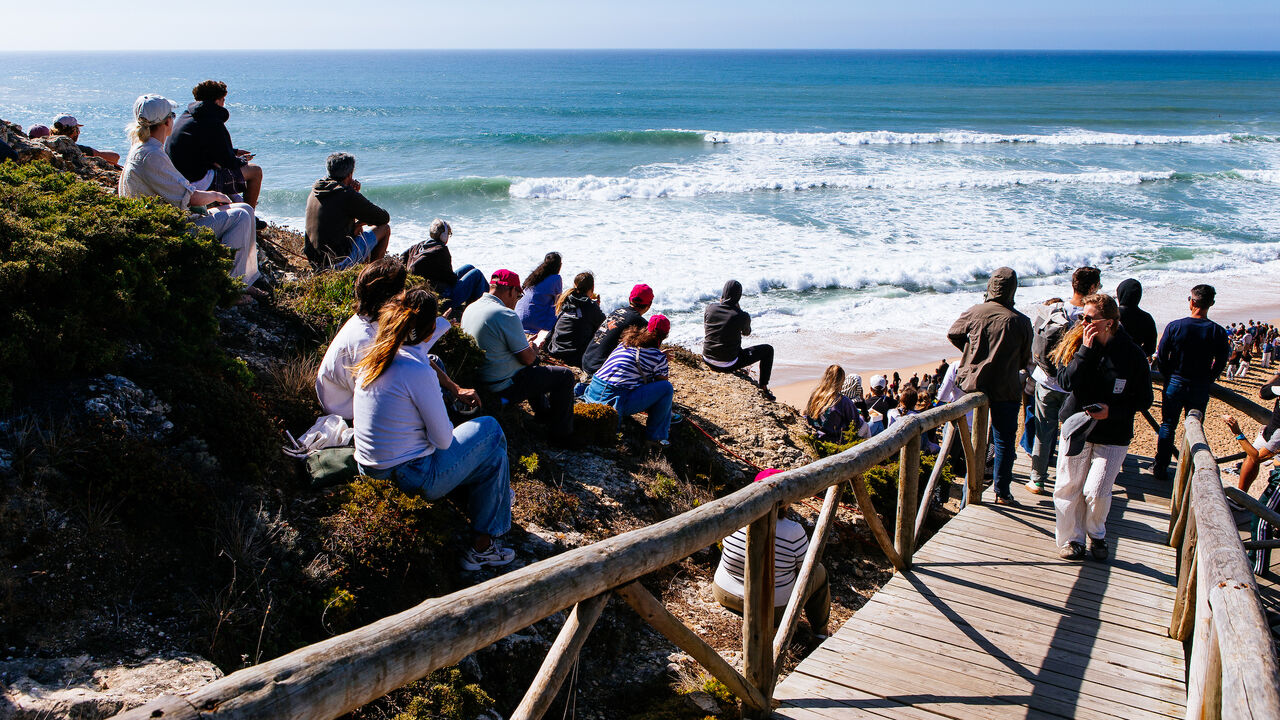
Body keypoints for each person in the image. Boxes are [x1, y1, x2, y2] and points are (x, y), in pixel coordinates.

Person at [352, 289, 514, 570]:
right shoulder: (416, 370)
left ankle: (489, 528)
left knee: (495, 461)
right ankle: (486, 535)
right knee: (491, 428)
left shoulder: (375, 356)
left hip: (370, 468)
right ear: (427, 330)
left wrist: (436, 324)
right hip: (412, 475)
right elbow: (443, 440)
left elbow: (430, 331)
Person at [117, 94, 261, 292]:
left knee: (244, 209)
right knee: (240, 216)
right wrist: (217, 196)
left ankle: (243, 281)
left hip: (159, 222)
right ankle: (230, 287)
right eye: (172, 115)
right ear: (167, 121)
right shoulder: (151, 155)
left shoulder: (143, 149)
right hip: (167, 231)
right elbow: (189, 196)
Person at [1050, 294, 1152, 561]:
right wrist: (1084, 351)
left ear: (1108, 323)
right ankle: (1072, 540)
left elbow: (1144, 400)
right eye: (1082, 316)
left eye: (1088, 318)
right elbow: (1065, 381)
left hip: (1114, 433)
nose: (1082, 322)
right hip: (1078, 427)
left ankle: (1097, 534)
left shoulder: (1132, 355)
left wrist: (1112, 412)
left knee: (1095, 490)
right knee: (1068, 487)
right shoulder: (1078, 343)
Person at [315, 258, 476, 420]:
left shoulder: (368, 320)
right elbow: (373, 402)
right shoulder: (367, 341)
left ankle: (445, 407)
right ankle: (444, 418)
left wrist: (454, 387)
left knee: (431, 362)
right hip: (348, 413)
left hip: (347, 400)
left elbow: (410, 351)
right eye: (402, 291)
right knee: (421, 373)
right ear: (392, 297)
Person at [947, 267, 1033, 505]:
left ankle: (969, 495)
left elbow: (953, 333)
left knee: (972, 440)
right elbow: (1026, 359)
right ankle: (1002, 491)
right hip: (1006, 387)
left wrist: (972, 351)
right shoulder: (1022, 321)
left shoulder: (975, 311)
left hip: (975, 385)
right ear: (1013, 289)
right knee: (1004, 440)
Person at [461, 270, 576, 443]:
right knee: (564, 376)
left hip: (480, 379)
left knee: (534, 371)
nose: (518, 299)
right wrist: (534, 349)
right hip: (503, 387)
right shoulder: (504, 314)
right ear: (509, 290)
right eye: (518, 294)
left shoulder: (471, 307)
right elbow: (527, 359)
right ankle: (562, 436)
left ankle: (543, 414)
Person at [713, 469, 830, 638]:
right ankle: (821, 633)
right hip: (770, 608)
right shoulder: (793, 531)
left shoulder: (734, 517)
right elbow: (807, 568)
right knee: (818, 572)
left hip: (724, 592)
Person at [1026, 267, 1100, 495]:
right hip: (1075, 387)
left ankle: (1037, 479)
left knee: (1043, 432)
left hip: (1046, 381)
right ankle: (1068, 482)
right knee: (1073, 433)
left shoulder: (1057, 311)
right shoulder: (1090, 318)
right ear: (1091, 288)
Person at [1152, 284, 1231, 481]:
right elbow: (1221, 362)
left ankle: (1160, 466)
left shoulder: (1175, 326)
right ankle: (1186, 470)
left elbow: (1161, 356)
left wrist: (1168, 375)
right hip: (1200, 385)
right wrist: (1209, 378)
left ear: (1192, 302)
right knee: (1194, 427)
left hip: (1175, 381)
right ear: (1211, 303)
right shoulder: (1218, 332)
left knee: (1168, 425)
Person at [166, 80, 265, 209]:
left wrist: (234, 152)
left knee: (218, 166)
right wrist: (242, 160)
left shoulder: (187, 116)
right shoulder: (212, 120)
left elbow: (205, 148)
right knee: (255, 171)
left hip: (179, 179)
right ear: (216, 101)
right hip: (196, 183)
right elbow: (228, 162)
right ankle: (251, 217)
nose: (224, 104)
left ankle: (238, 203)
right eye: (223, 100)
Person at [584, 314, 675, 446]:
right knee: (666, 389)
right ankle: (656, 437)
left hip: (593, 390)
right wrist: (661, 359)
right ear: (666, 334)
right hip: (614, 400)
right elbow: (660, 384)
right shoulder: (658, 358)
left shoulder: (626, 343)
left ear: (647, 328)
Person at [304, 152, 390, 271]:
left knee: (358, 230)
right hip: (337, 264)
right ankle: (372, 274)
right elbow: (383, 217)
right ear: (350, 174)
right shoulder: (345, 194)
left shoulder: (316, 190)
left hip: (315, 262)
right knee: (384, 229)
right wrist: (355, 194)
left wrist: (358, 224)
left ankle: (363, 270)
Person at [702, 280, 775, 399]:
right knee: (768, 350)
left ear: (723, 293)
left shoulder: (710, 308)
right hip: (728, 363)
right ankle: (764, 388)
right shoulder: (741, 315)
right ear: (739, 296)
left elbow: (708, 327)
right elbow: (747, 333)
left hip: (707, 357)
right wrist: (739, 310)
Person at [401, 219, 487, 317]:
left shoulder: (418, 246)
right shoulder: (440, 250)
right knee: (476, 274)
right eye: (449, 234)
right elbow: (451, 280)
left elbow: (402, 258)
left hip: (423, 291)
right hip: (441, 298)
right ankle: (480, 311)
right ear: (443, 235)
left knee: (469, 267)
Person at [1221, 367, 1280, 500]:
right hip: (1271, 430)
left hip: (1277, 435)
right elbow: (1263, 393)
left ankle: (1243, 500)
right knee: (1250, 457)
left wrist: (1238, 433)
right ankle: (1240, 498)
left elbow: (1258, 457)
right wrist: (1277, 374)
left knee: (1255, 457)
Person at [582, 284, 652, 377]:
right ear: (649, 305)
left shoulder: (617, 311)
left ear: (630, 299)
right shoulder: (641, 324)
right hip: (600, 370)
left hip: (587, 361)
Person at [547, 272, 605, 368]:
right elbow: (603, 325)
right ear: (592, 289)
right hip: (575, 357)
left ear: (575, 286)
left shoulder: (566, 300)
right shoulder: (590, 306)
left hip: (555, 351)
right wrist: (596, 308)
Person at [805, 365, 869, 443]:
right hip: (836, 440)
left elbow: (807, 415)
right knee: (865, 425)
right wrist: (862, 417)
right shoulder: (843, 401)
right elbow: (855, 424)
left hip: (817, 436)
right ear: (841, 381)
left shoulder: (815, 396)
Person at [51, 114, 120, 165]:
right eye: (77, 129)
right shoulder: (76, 148)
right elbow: (115, 157)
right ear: (74, 131)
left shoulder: (47, 145)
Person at [1116, 279, 1157, 359]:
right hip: (1134, 362)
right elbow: (1151, 348)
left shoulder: (1111, 314)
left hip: (1110, 361)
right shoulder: (1147, 318)